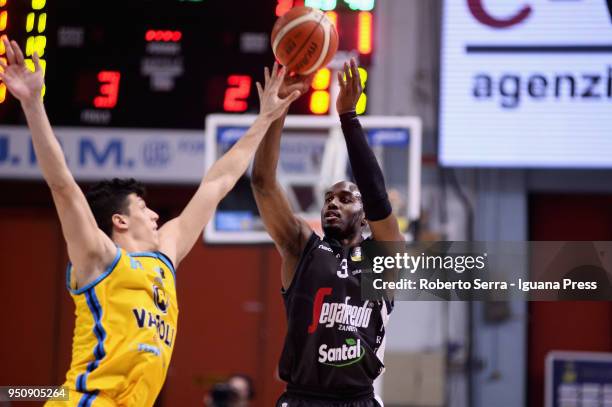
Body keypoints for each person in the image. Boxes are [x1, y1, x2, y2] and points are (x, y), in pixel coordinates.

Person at [0, 36, 304, 407]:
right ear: (120, 221)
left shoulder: (166, 254)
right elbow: (62, 185)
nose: (156, 214)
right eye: (143, 208)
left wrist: (266, 117)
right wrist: (33, 103)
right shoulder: (98, 258)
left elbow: (218, 182)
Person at [251, 58, 405, 407]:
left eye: (346, 198)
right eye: (328, 198)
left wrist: (349, 118)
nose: (333, 203)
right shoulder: (301, 248)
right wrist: (278, 112)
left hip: (358, 399)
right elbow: (262, 183)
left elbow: (379, 200)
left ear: (364, 217)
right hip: (302, 398)